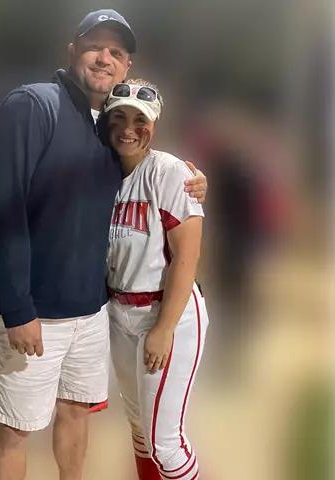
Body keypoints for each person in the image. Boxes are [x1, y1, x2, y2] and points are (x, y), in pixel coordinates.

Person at [0, 10, 207, 480]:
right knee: (17, 429)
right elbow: (0, 213)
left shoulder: (106, 131)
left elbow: (145, 161)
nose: (104, 58)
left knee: (75, 414)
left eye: (117, 52)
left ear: (126, 68)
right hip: (34, 313)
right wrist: (17, 308)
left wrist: (193, 179)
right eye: (94, 46)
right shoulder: (32, 106)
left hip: (91, 312)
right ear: (72, 50)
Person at [101, 79, 209, 480]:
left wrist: (163, 329)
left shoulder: (167, 172)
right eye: (119, 118)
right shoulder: (103, 175)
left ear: (154, 125)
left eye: (139, 120)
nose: (129, 128)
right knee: (141, 434)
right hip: (120, 314)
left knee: (166, 445)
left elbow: (187, 258)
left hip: (166, 313)